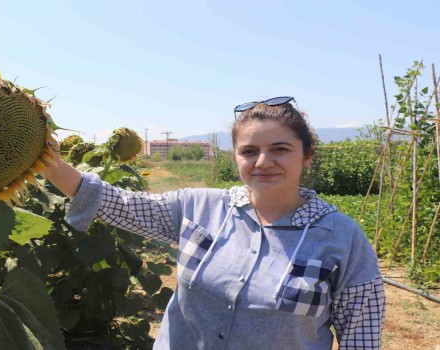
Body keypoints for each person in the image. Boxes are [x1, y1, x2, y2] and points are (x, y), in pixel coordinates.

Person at [42, 96, 386, 349]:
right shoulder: (199, 207)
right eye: (249, 151)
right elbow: (118, 205)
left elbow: (361, 337)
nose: (263, 162)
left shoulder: (340, 237)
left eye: (280, 149)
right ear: (235, 156)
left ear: (307, 156)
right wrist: (48, 162)